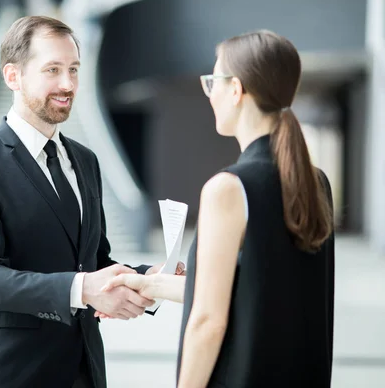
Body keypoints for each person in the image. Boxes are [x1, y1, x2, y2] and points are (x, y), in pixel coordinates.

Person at [0, 16, 177, 388]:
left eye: (73, 69)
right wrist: (84, 289)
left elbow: (93, 261)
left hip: (83, 371)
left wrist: (147, 279)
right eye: (52, 69)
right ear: (13, 76)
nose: (67, 84)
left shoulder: (86, 160)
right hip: (13, 373)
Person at [100, 30, 335, 388]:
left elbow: (208, 320)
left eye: (213, 82)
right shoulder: (315, 183)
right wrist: (149, 284)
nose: (209, 94)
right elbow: (247, 292)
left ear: (236, 89)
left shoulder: (227, 188)